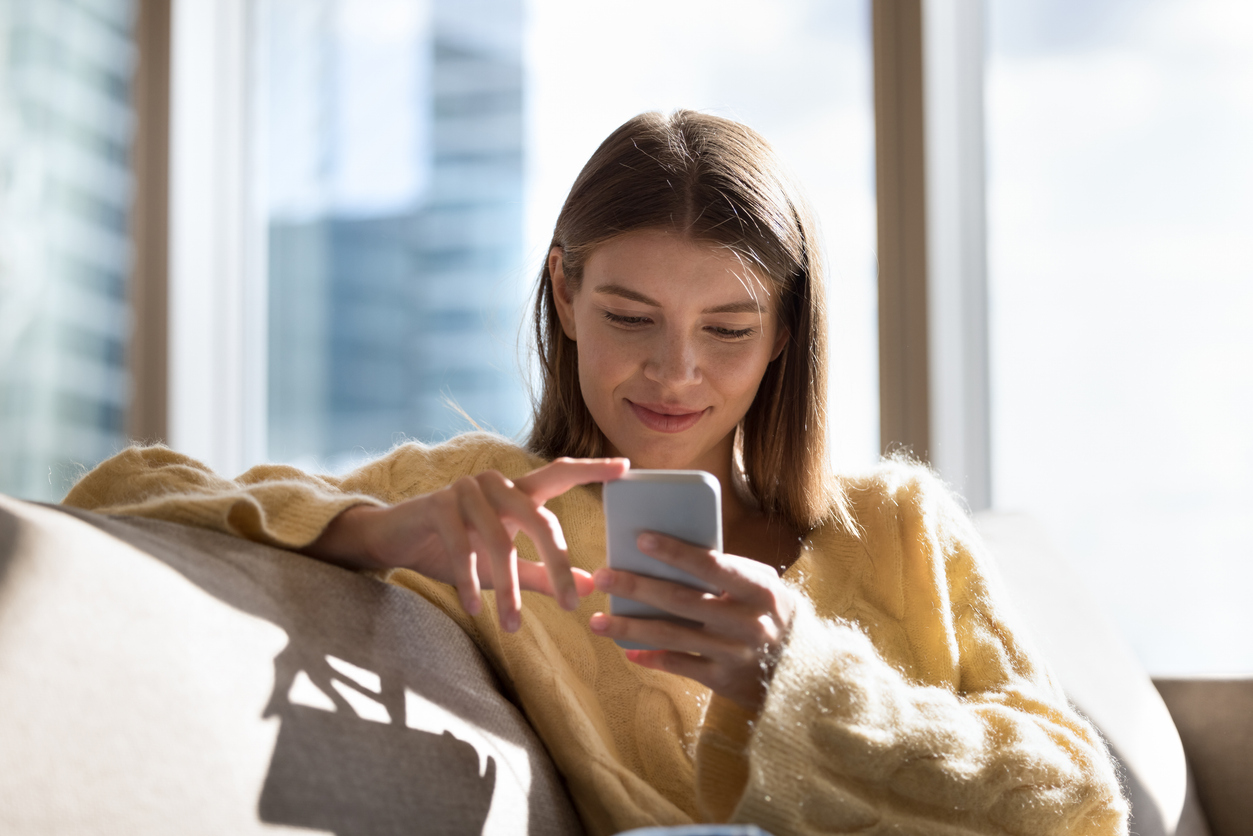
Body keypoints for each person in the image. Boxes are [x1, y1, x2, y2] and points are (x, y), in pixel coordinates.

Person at [64, 110, 1126, 835]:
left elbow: (1079, 796)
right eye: (628, 317)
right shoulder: (477, 500)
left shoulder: (895, 524)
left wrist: (799, 678)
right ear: (564, 296)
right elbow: (114, 498)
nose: (675, 371)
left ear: (784, 334)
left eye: (727, 326)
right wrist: (367, 532)